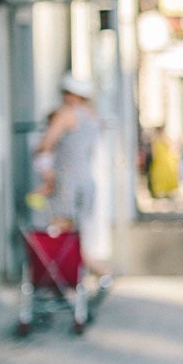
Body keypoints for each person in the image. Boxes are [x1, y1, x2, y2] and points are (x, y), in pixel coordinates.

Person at [35, 72, 109, 285]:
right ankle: (84, 273)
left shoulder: (67, 114)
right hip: (87, 180)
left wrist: (45, 169)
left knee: (59, 232)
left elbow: (46, 144)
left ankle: (81, 274)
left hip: (66, 179)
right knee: (76, 232)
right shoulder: (94, 116)